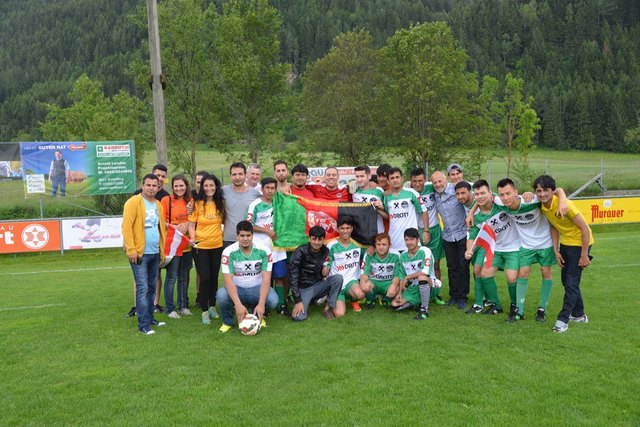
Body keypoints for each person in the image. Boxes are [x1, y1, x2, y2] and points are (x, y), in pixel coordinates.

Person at [493, 178, 566, 323]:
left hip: (545, 242)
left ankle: (542, 309)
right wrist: (471, 214)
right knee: (523, 273)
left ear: (516, 192)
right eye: (502, 195)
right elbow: (486, 195)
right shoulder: (500, 202)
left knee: (546, 273)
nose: (505, 198)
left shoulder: (532, 200)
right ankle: (519, 311)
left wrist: (562, 199)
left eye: (508, 193)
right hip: (526, 245)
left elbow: (556, 190)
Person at [536, 175, 593, 334]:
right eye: (539, 191)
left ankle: (563, 320)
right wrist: (556, 250)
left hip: (580, 244)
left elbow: (585, 230)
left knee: (571, 283)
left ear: (552, 191)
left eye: (546, 190)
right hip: (565, 244)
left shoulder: (565, 204)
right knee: (567, 281)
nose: (542, 194)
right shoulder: (543, 207)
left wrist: (584, 255)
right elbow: (553, 227)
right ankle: (579, 315)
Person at [464, 180, 520, 316]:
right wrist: (468, 250)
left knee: (511, 278)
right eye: (476, 194)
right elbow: (472, 236)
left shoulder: (500, 203)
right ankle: (496, 305)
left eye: (483, 193)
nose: (480, 196)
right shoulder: (476, 217)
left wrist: (529, 194)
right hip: (495, 249)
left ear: (490, 193)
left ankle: (515, 305)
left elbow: (514, 198)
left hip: (513, 247)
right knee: (484, 274)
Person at [122, 174, 167, 335]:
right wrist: (131, 249)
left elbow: (161, 229)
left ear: (158, 187)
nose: (151, 188)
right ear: (142, 185)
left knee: (151, 288)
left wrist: (162, 251)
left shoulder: (158, 205)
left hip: (155, 252)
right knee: (142, 288)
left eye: (154, 185)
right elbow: (126, 227)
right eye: (148, 185)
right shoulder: (133, 202)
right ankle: (143, 325)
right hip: (140, 254)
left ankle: (149, 318)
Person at [217, 221, 279, 333]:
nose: (245, 239)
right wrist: (238, 304)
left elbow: (266, 278)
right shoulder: (228, 252)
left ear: (252, 235)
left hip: (256, 288)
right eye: (242, 235)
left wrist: (261, 304)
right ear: (237, 236)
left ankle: (256, 315)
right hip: (237, 288)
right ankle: (227, 322)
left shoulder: (264, 251)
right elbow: (227, 281)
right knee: (221, 296)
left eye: (248, 235)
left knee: (273, 300)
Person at [246, 177, 289, 315]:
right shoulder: (255, 205)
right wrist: (267, 231)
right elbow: (249, 225)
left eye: (273, 188)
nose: (270, 191)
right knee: (264, 277)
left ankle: (281, 305)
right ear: (262, 189)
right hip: (261, 247)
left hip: (278, 247)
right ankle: (263, 306)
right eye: (267, 188)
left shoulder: (279, 202)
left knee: (279, 276)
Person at [188, 173, 225, 325]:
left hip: (217, 246)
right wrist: (192, 238)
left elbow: (223, 221)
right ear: (202, 187)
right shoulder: (196, 204)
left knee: (214, 277)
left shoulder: (220, 203)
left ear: (216, 186)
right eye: (206, 185)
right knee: (205, 278)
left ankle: (212, 306)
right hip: (200, 247)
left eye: (212, 185)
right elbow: (191, 224)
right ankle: (204, 310)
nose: (209, 188)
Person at [431, 170, 470, 309]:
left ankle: (462, 296)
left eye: (439, 181)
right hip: (447, 236)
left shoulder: (456, 190)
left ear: (445, 179)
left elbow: (475, 189)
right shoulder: (434, 195)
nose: (437, 184)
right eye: (434, 182)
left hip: (462, 234)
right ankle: (453, 295)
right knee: (451, 266)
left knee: (463, 266)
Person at [289, 226, 343, 321]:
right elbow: (293, 277)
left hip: (317, 285)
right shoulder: (300, 251)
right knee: (298, 318)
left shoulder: (325, 251)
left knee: (338, 278)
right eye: (314, 239)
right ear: (309, 238)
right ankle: (304, 302)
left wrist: (323, 274)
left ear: (323, 240)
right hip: (303, 288)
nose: (317, 242)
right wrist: (298, 300)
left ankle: (328, 308)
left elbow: (323, 270)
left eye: (320, 239)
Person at [409, 167, 445, 305]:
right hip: (417, 231)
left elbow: (450, 185)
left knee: (435, 264)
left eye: (420, 180)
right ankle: (420, 293)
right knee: (419, 265)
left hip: (434, 230)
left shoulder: (431, 187)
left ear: (425, 180)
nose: (418, 184)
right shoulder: (409, 192)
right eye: (414, 181)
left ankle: (435, 294)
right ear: (410, 181)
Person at [161, 175, 193, 319]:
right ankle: (169, 308)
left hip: (186, 246)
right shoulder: (166, 200)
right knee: (171, 277)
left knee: (183, 277)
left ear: (186, 186)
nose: (179, 188)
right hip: (173, 245)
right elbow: (161, 221)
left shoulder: (191, 200)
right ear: (172, 187)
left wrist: (187, 225)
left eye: (181, 186)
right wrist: (174, 227)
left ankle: (183, 306)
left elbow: (194, 219)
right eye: (176, 186)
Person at [383, 167, 429, 252]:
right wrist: (377, 209)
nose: (395, 180)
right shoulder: (386, 198)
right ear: (388, 181)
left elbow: (423, 211)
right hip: (394, 241)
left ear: (402, 179)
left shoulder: (412, 193)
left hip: (411, 240)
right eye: (392, 178)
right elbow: (389, 216)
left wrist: (426, 231)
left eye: (397, 177)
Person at [394, 228, 435, 320]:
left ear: (418, 240)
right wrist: (400, 292)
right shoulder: (403, 255)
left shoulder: (425, 251)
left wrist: (408, 277)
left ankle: (424, 310)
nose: (409, 242)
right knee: (395, 305)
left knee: (422, 278)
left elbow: (425, 272)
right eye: (407, 240)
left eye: (412, 239)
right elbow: (401, 276)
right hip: (412, 287)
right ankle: (417, 302)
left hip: (430, 283)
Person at [326, 216, 364, 314]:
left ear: (351, 229)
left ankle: (353, 300)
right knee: (339, 314)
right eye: (342, 228)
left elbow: (367, 255)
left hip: (351, 281)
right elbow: (327, 263)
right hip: (337, 284)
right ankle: (331, 297)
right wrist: (325, 269)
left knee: (360, 294)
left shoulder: (358, 244)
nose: (345, 231)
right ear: (337, 229)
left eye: (347, 228)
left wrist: (371, 248)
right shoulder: (331, 245)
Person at [222, 162, 261, 248]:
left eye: (240, 174)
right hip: (228, 240)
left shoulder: (255, 194)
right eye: (234, 174)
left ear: (245, 175)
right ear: (230, 176)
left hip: (248, 239)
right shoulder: (223, 191)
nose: (237, 177)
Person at [359, 233, 402, 308]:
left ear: (389, 245)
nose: (381, 247)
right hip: (373, 282)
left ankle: (387, 299)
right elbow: (365, 273)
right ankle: (370, 299)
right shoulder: (369, 254)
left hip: (388, 283)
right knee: (365, 284)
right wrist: (362, 282)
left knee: (397, 287)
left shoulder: (396, 255)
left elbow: (397, 275)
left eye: (384, 244)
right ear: (375, 245)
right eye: (378, 244)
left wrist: (394, 285)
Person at [352, 165, 387, 233]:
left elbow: (388, 216)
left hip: (377, 232)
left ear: (369, 176)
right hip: (360, 232)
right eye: (357, 176)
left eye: (362, 176)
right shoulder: (353, 190)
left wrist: (379, 208)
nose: (359, 179)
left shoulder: (379, 191)